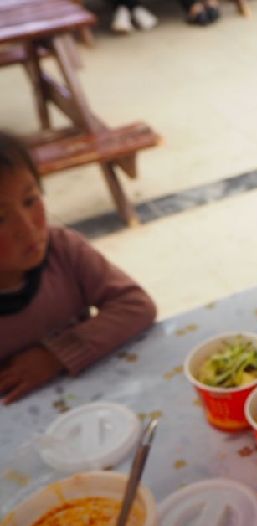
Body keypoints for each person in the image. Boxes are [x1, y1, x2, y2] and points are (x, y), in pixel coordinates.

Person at [0, 132, 157, 404]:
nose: (27, 229)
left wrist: (56, 355)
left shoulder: (63, 249)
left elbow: (136, 304)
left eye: (30, 200)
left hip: (96, 407)